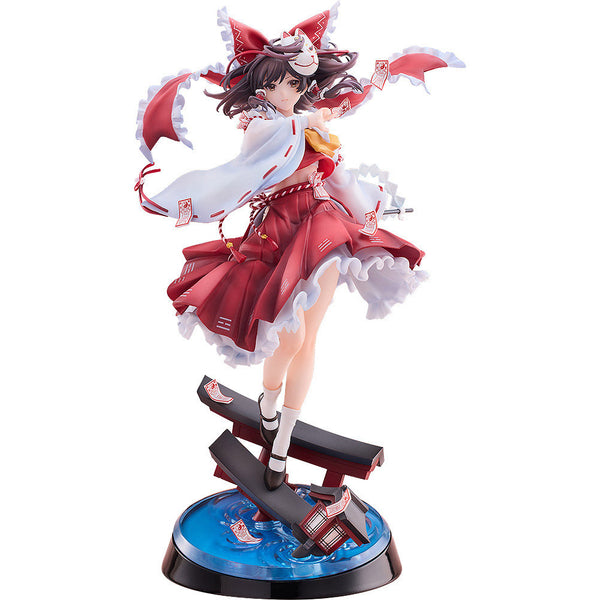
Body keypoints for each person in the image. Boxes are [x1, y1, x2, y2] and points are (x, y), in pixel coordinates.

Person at [135, 4, 464, 489]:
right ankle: (269, 403)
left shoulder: (307, 122)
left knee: (309, 339)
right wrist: (318, 117)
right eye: (287, 83)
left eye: (298, 83)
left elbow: (336, 171)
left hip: (321, 224)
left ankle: (282, 443)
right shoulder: (263, 128)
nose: (296, 90)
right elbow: (259, 160)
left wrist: (367, 210)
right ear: (265, 88)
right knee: (287, 337)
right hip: (277, 230)